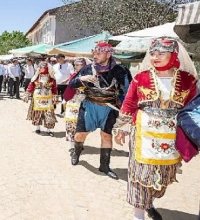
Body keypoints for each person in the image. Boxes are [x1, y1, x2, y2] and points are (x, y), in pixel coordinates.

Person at [113, 37, 197, 220]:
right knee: (139, 174)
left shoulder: (188, 80)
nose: (155, 57)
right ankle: (138, 214)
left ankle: (149, 202)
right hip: (143, 133)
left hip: (171, 136)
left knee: (163, 176)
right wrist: (120, 127)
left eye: (161, 53)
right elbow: (129, 102)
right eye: (152, 53)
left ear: (173, 55)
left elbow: (193, 107)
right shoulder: (140, 77)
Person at [68, 42, 130, 180]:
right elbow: (71, 84)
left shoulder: (120, 70)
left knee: (106, 136)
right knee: (79, 135)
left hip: (109, 108)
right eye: (94, 53)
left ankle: (104, 165)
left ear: (108, 54)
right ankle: (76, 153)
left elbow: (128, 92)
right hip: (89, 106)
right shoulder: (87, 69)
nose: (95, 56)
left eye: (99, 53)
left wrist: (125, 112)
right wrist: (80, 79)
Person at [24, 61, 58, 137]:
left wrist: (55, 96)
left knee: (48, 113)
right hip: (37, 98)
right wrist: (27, 94)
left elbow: (54, 88)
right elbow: (31, 86)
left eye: (43, 67)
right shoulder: (36, 77)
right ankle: (37, 127)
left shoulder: (51, 79)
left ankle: (48, 129)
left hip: (48, 99)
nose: (41, 69)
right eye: (40, 67)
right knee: (37, 113)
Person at [63, 58, 87, 153]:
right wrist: (65, 99)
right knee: (71, 124)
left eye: (78, 65)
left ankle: (80, 143)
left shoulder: (89, 77)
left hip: (84, 103)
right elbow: (69, 90)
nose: (76, 66)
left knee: (82, 125)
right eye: (75, 65)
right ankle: (72, 145)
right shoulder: (73, 76)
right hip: (73, 102)